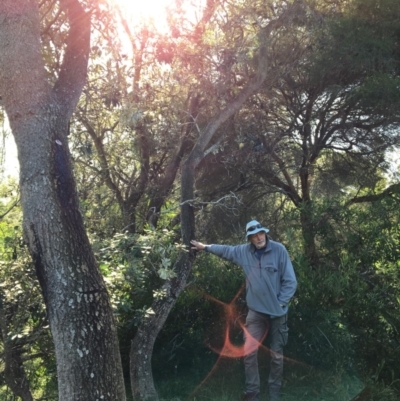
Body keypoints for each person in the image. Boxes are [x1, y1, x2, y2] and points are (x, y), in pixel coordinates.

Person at [190, 220, 297, 401]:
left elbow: (290, 281)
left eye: (260, 233)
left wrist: (280, 302)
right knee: (249, 351)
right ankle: (253, 393)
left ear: (265, 233)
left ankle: (274, 394)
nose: (258, 237)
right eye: (254, 235)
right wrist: (205, 247)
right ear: (250, 239)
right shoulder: (243, 252)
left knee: (277, 355)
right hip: (255, 312)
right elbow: (225, 250)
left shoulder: (279, 250)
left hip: (278, 312)